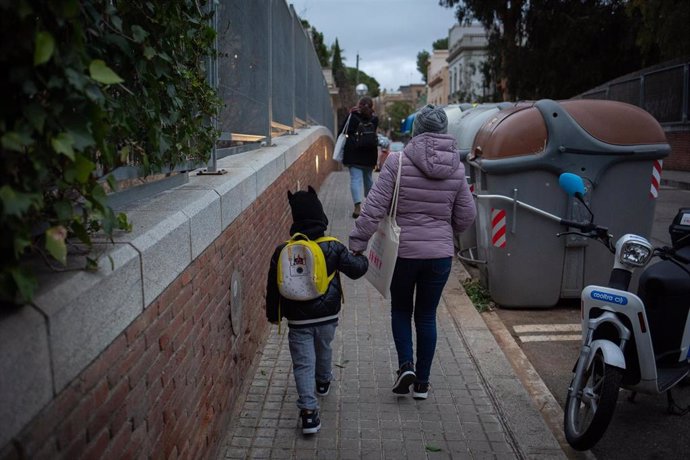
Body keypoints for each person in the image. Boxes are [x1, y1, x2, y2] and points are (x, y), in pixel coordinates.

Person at [348, 104, 477, 400]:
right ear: (444, 131)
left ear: (416, 131)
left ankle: (406, 365)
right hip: (439, 257)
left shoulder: (398, 162)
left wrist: (357, 244)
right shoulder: (457, 168)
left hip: (403, 253)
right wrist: (446, 228)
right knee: (427, 315)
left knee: (402, 309)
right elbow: (466, 217)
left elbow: (373, 208)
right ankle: (422, 383)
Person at [266, 186, 368, 434]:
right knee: (324, 348)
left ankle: (309, 414)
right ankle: (323, 381)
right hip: (327, 317)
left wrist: (274, 315)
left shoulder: (282, 251)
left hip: (298, 320)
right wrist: (363, 258)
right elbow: (356, 270)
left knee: (302, 364)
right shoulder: (332, 246)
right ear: (320, 215)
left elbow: (273, 288)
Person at [341, 96, 379, 218]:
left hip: (354, 153)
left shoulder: (352, 116)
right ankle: (370, 204)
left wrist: (350, 113)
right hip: (369, 154)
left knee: (355, 179)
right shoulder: (375, 119)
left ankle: (357, 206)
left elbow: (343, 130)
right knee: (368, 178)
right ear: (371, 106)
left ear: (359, 105)